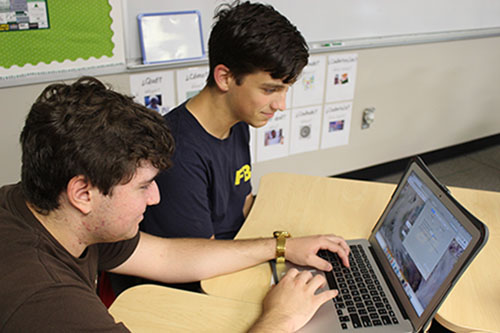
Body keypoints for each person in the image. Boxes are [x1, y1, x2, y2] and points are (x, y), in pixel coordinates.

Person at [0, 76, 350, 332]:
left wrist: (280, 246)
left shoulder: (49, 212)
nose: (156, 198)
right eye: (143, 186)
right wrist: (281, 317)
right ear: (83, 194)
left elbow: (167, 256)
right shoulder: (46, 300)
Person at [140, 0, 309, 240]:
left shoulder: (239, 121)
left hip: (231, 248)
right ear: (225, 78)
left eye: (285, 90)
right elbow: (200, 259)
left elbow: (243, 203)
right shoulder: (177, 152)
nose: (281, 105)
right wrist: (278, 249)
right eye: (270, 90)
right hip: (204, 267)